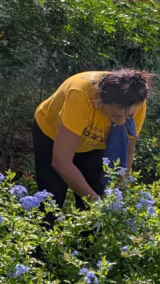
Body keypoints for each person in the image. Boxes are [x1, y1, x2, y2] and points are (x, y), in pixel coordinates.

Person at [33, 69, 151, 207]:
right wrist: (97, 204)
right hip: (52, 134)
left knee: (95, 193)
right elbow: (61, 161)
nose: (121, 122)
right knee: (51, 199)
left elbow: (128, 151)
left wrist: (119, 191)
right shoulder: (81, 95)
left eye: (128, 116)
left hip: (93, 144)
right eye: (115, 115)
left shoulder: (136, 100)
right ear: (101, 102)